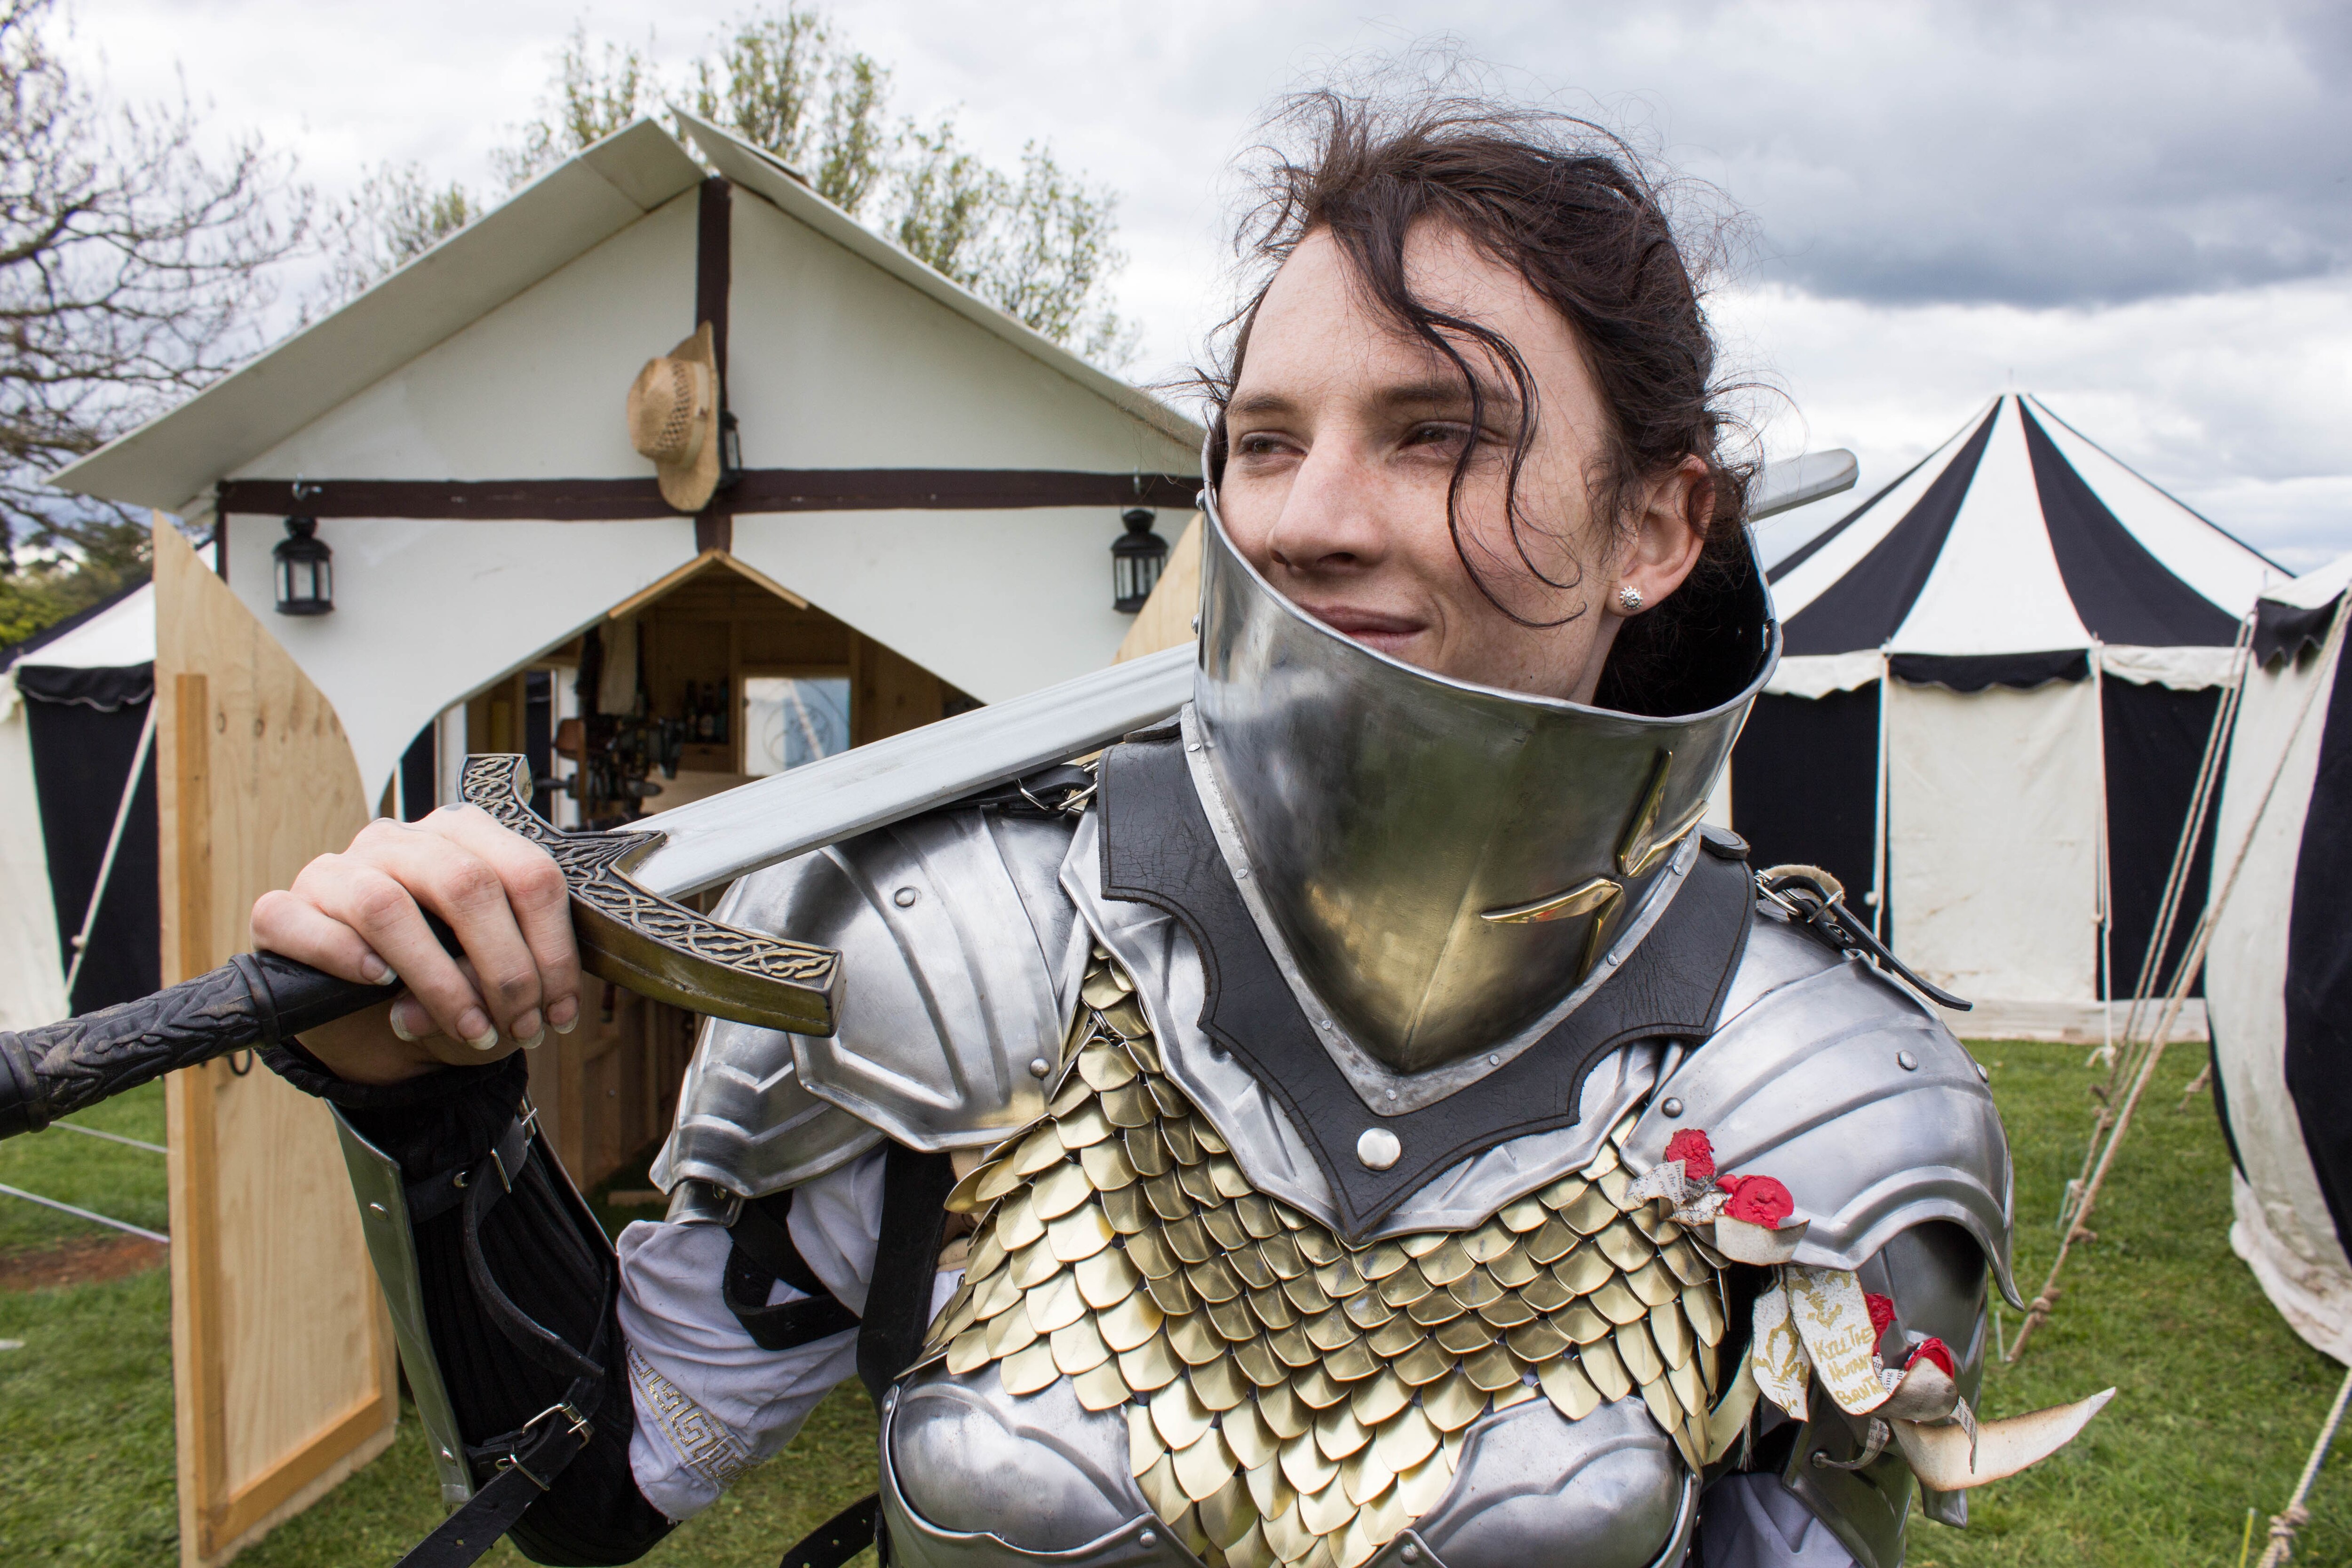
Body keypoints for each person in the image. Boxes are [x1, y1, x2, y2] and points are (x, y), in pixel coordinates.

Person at [254, 89, 2016, 1568]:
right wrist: (425, 1108)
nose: (1312, 520)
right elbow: (581, 1489)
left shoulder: (1827, 1100)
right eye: (1263, 442)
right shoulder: (965, 941)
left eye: (1438, 434)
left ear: (1659, 523)